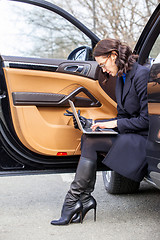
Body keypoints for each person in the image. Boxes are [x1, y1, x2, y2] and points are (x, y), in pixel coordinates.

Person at [51, 38, 149, 225]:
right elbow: (123, 116)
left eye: (103, 64)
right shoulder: (121, 77)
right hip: (131, 134)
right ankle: (81, 200)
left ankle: (75, 201)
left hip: (144, 139)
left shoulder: (141, 75)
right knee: (90, 135)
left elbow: (146, 120)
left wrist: (113, 125)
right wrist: (98, 123)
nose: (103, 69)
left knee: (92, 140)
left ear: (114, 56)